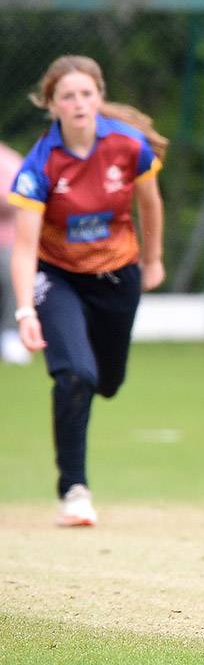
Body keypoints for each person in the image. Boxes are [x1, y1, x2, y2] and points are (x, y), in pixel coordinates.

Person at [7, 55, 167, 527]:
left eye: (85, 93)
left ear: (99, 96)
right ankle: (73, 491)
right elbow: (23, 250)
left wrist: (153, 260)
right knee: (76, 375)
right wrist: (23, 311)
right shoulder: (40, 166)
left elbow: (151, 206)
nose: (78, 103)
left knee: (107, 381)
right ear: (51, 105)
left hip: (119, 276)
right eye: (67, 96)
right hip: (57, 279)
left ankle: (90, 381)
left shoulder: (129, 146)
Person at [0, 142, 30, 364]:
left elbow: (20, 198)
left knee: (13, 283)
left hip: (7, 242)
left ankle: (11, 336)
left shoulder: (8, 160)